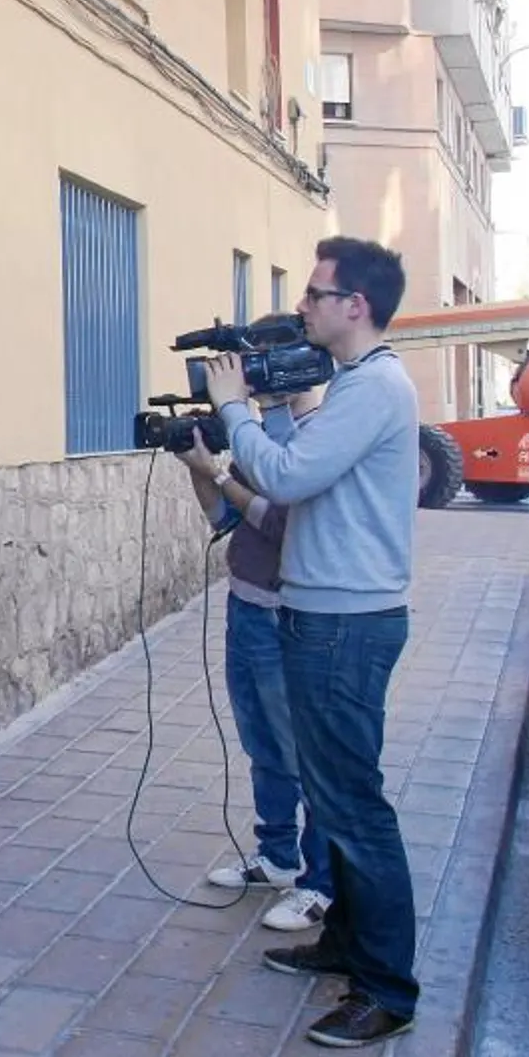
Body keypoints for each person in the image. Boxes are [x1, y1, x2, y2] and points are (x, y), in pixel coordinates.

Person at [197, 236, 421, 1048]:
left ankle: (387, 987)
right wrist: (273, 407)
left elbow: (286, 480)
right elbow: (297, 474)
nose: (303, 307)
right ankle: (344, 944)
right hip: (322, 613)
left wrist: (230, 408)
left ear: (355, 305)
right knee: (330, 796)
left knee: (356, 807)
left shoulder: (374, 387)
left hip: (347, 624)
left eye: (316, 294)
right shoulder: (356, 385)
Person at [177, 389, 336, 933]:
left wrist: (222, 476)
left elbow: (282, 524)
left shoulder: (318, 436)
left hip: (284, 614)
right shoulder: (257, 436)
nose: (249, 383)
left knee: (304, 751)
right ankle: (277, 857)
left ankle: (320, 884)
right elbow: (225, 518)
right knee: (263, 742)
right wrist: (199, 467)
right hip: (244, 604)